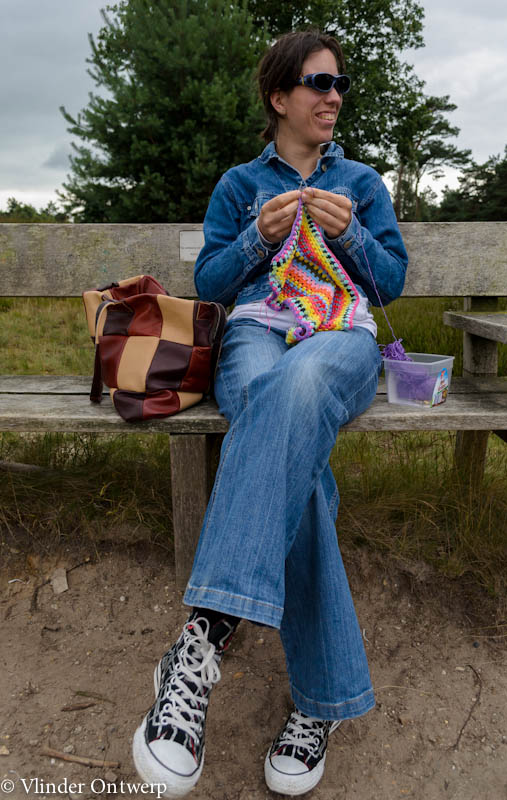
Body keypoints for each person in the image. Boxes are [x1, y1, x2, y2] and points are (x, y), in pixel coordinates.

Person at [133, 29, 407, 798]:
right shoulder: (239, 184)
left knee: (299, 383)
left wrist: (351, 233)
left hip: (340, 340)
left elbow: (392, 281)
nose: (334, 96)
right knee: (281, 420)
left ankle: (203, 638)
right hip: (257, 330)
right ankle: (321, 700)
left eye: (340, 84)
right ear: (280, 96)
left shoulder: (361, 181)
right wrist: (259, 237)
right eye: (319, 83)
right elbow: (211, 280)